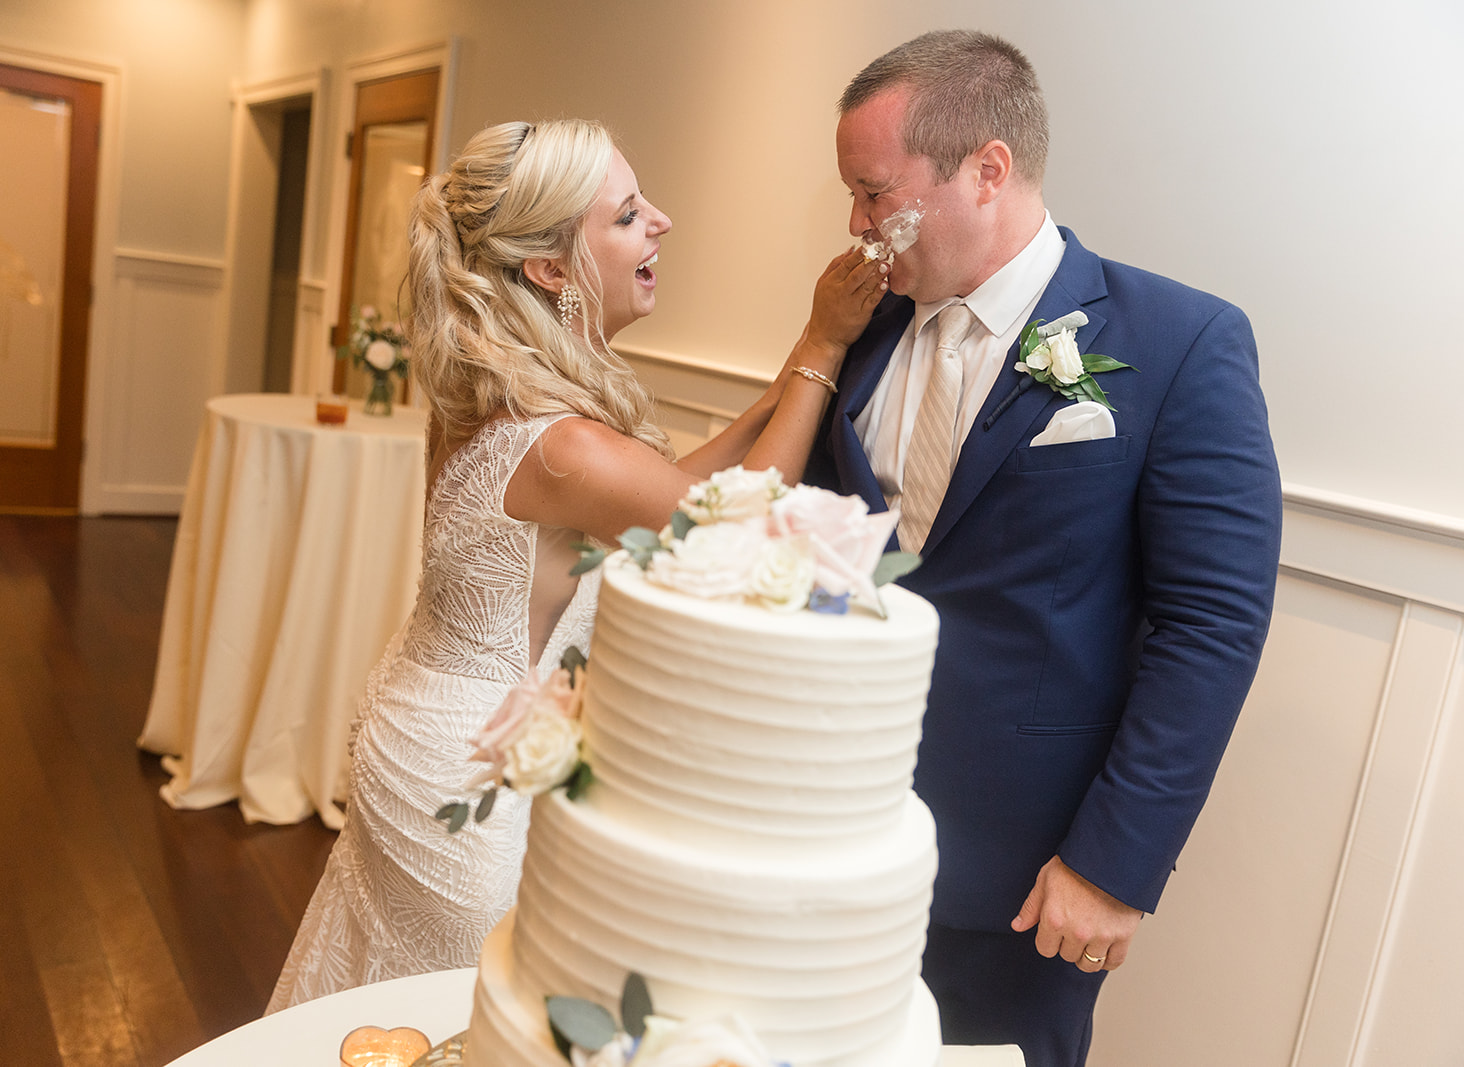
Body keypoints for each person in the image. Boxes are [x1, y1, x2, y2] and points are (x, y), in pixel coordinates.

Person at [268, 118, 885, 1011]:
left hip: (431, 722)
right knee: (478, 1016)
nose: (662, 222)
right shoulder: (562, 447)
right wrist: (825, 351)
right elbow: (724, 524)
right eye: (629, 215)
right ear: (552, 270)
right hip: (473, 784)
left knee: (397, 1009)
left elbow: (666, 486)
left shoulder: (504, 390)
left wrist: (799, 355)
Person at [802, 30, 1282, 1066]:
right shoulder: (864, 326)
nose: (856, 223)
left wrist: (1111, 866)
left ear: (986, 169)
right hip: (823, 835)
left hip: (1016, 879)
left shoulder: (1179, 343)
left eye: (874, 192)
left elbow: (1210, 627)